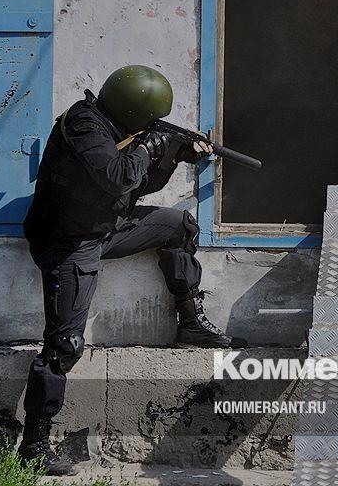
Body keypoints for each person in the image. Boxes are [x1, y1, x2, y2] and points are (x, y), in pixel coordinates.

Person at [18, 65, 245, 474]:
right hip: (68, 243)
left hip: (106, 228)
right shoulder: (85, 125)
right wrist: (149, 146)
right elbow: (118, 176)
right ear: (133, 112)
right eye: (149, 122)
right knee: (65, 345)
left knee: (179, 226)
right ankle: (33, 446)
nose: (150, 129)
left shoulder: (120, 128)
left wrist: (174, 154)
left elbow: (141, 185)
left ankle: (190, 324)